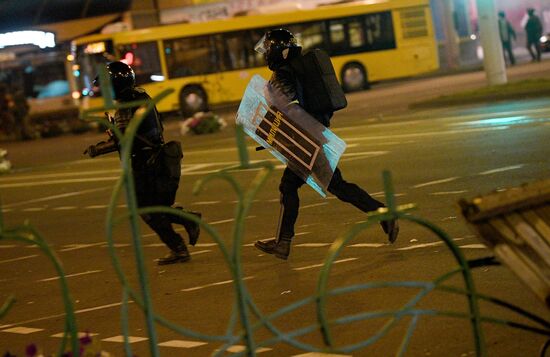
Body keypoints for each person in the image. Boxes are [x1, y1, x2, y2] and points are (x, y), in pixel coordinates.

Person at [253, 29, 399, 260]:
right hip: (309, 138)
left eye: (268, 50)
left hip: (305, 142)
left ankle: (385, 214)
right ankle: (283, 243)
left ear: (276, 51)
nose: (265, 55)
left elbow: (284, 109)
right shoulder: (296, 70)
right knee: (291, 186)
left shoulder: (283, 76)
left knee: (334, 186)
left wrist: (273, 128)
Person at [84, 61, 201, 265]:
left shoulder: (127, 104)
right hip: (153, 161)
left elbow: (124, 138)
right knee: (156, 208)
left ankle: (180, 245)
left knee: (147, 211)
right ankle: (187, 224)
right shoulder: (139, 97)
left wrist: (98, 148)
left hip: (147, 164)